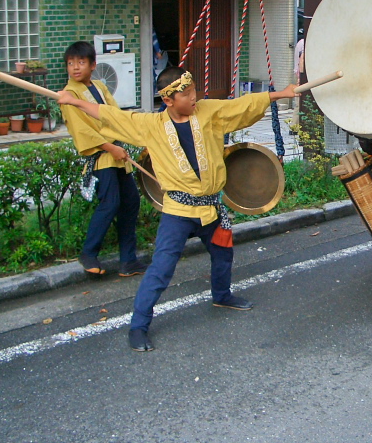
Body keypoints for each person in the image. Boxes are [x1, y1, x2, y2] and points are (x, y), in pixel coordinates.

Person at [58, 66, 297, 352]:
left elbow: (240, 106)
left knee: (223, 254)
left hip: (212, 209)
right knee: (161, 268)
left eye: (194, 90)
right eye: (187, 94)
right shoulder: (151, 125)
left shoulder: (208, 111)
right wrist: (74, 101)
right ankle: (138, 325)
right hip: (178, 212)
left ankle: (222, 295)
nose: (194, 97)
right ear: (169, 100)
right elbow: (111, 116)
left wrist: (279, 94)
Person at [60, 41, 146, 278]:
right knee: (111, 202)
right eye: (70, 63)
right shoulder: (68, 95)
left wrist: (132, 137)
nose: (75, 68)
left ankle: (128, 261)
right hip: (102, 156)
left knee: (130, 202)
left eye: (81, 62)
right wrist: (110, 146)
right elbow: (82, 131)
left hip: (117, 153)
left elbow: (115, 116)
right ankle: (88, 253)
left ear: (93, 65)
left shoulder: (99, 86)